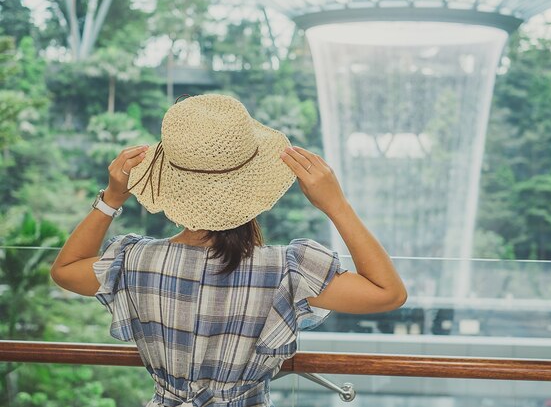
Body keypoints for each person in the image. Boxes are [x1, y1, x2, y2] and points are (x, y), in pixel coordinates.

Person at [50, 94, 407, 407]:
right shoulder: (286, 270)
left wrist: (112, 198)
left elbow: (65, 270)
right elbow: (387, 293)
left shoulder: (134, 261)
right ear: (253, 184)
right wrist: (336, 205)